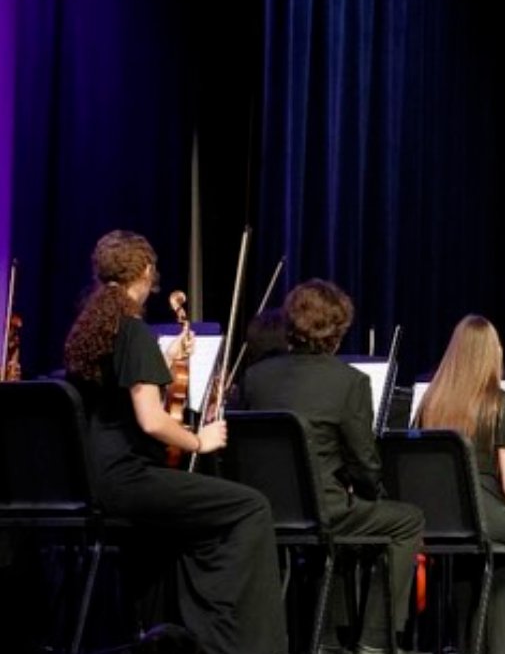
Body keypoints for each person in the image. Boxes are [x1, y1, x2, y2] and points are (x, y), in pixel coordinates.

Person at [62, 230, 287, 654]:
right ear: (146, 271)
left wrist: (163, 362)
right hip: (127, 480)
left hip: (90, 479)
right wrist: (198, 441)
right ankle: (244, 644)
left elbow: (118, 394)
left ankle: (185, 633)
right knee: (251, 507)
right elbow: (151, 420)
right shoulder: (132, 330)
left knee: (191, 521)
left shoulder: (91, 331)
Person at [238, 278, 424, 654]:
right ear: (338, 332)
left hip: (262, 509)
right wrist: (373, 492)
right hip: (322, 509)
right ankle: (374, 640)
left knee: (347, 516)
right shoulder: (349, 382)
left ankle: (326, 634)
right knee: (407, 520)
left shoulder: (256, 378)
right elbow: (364, 461)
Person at [414, 314, 505, 654]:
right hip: (483, 514)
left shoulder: (429, 403)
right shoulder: (501, 404)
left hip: (436, 521)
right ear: (491, 354)